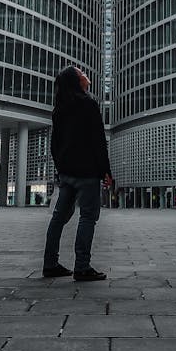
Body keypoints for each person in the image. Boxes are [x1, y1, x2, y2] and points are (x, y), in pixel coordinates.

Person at [42, 66, 113, 281]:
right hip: (88, 172)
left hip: (67, 173)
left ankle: (50, 263)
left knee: (58, 218)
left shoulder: (59, 108)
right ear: (76, 80)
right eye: (81, 72)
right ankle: (82, 266)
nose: (85, 74)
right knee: (88, 217)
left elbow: (55, 144)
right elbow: (98, 140)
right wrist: (105, 171)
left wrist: (61, 166)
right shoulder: (88, 103)